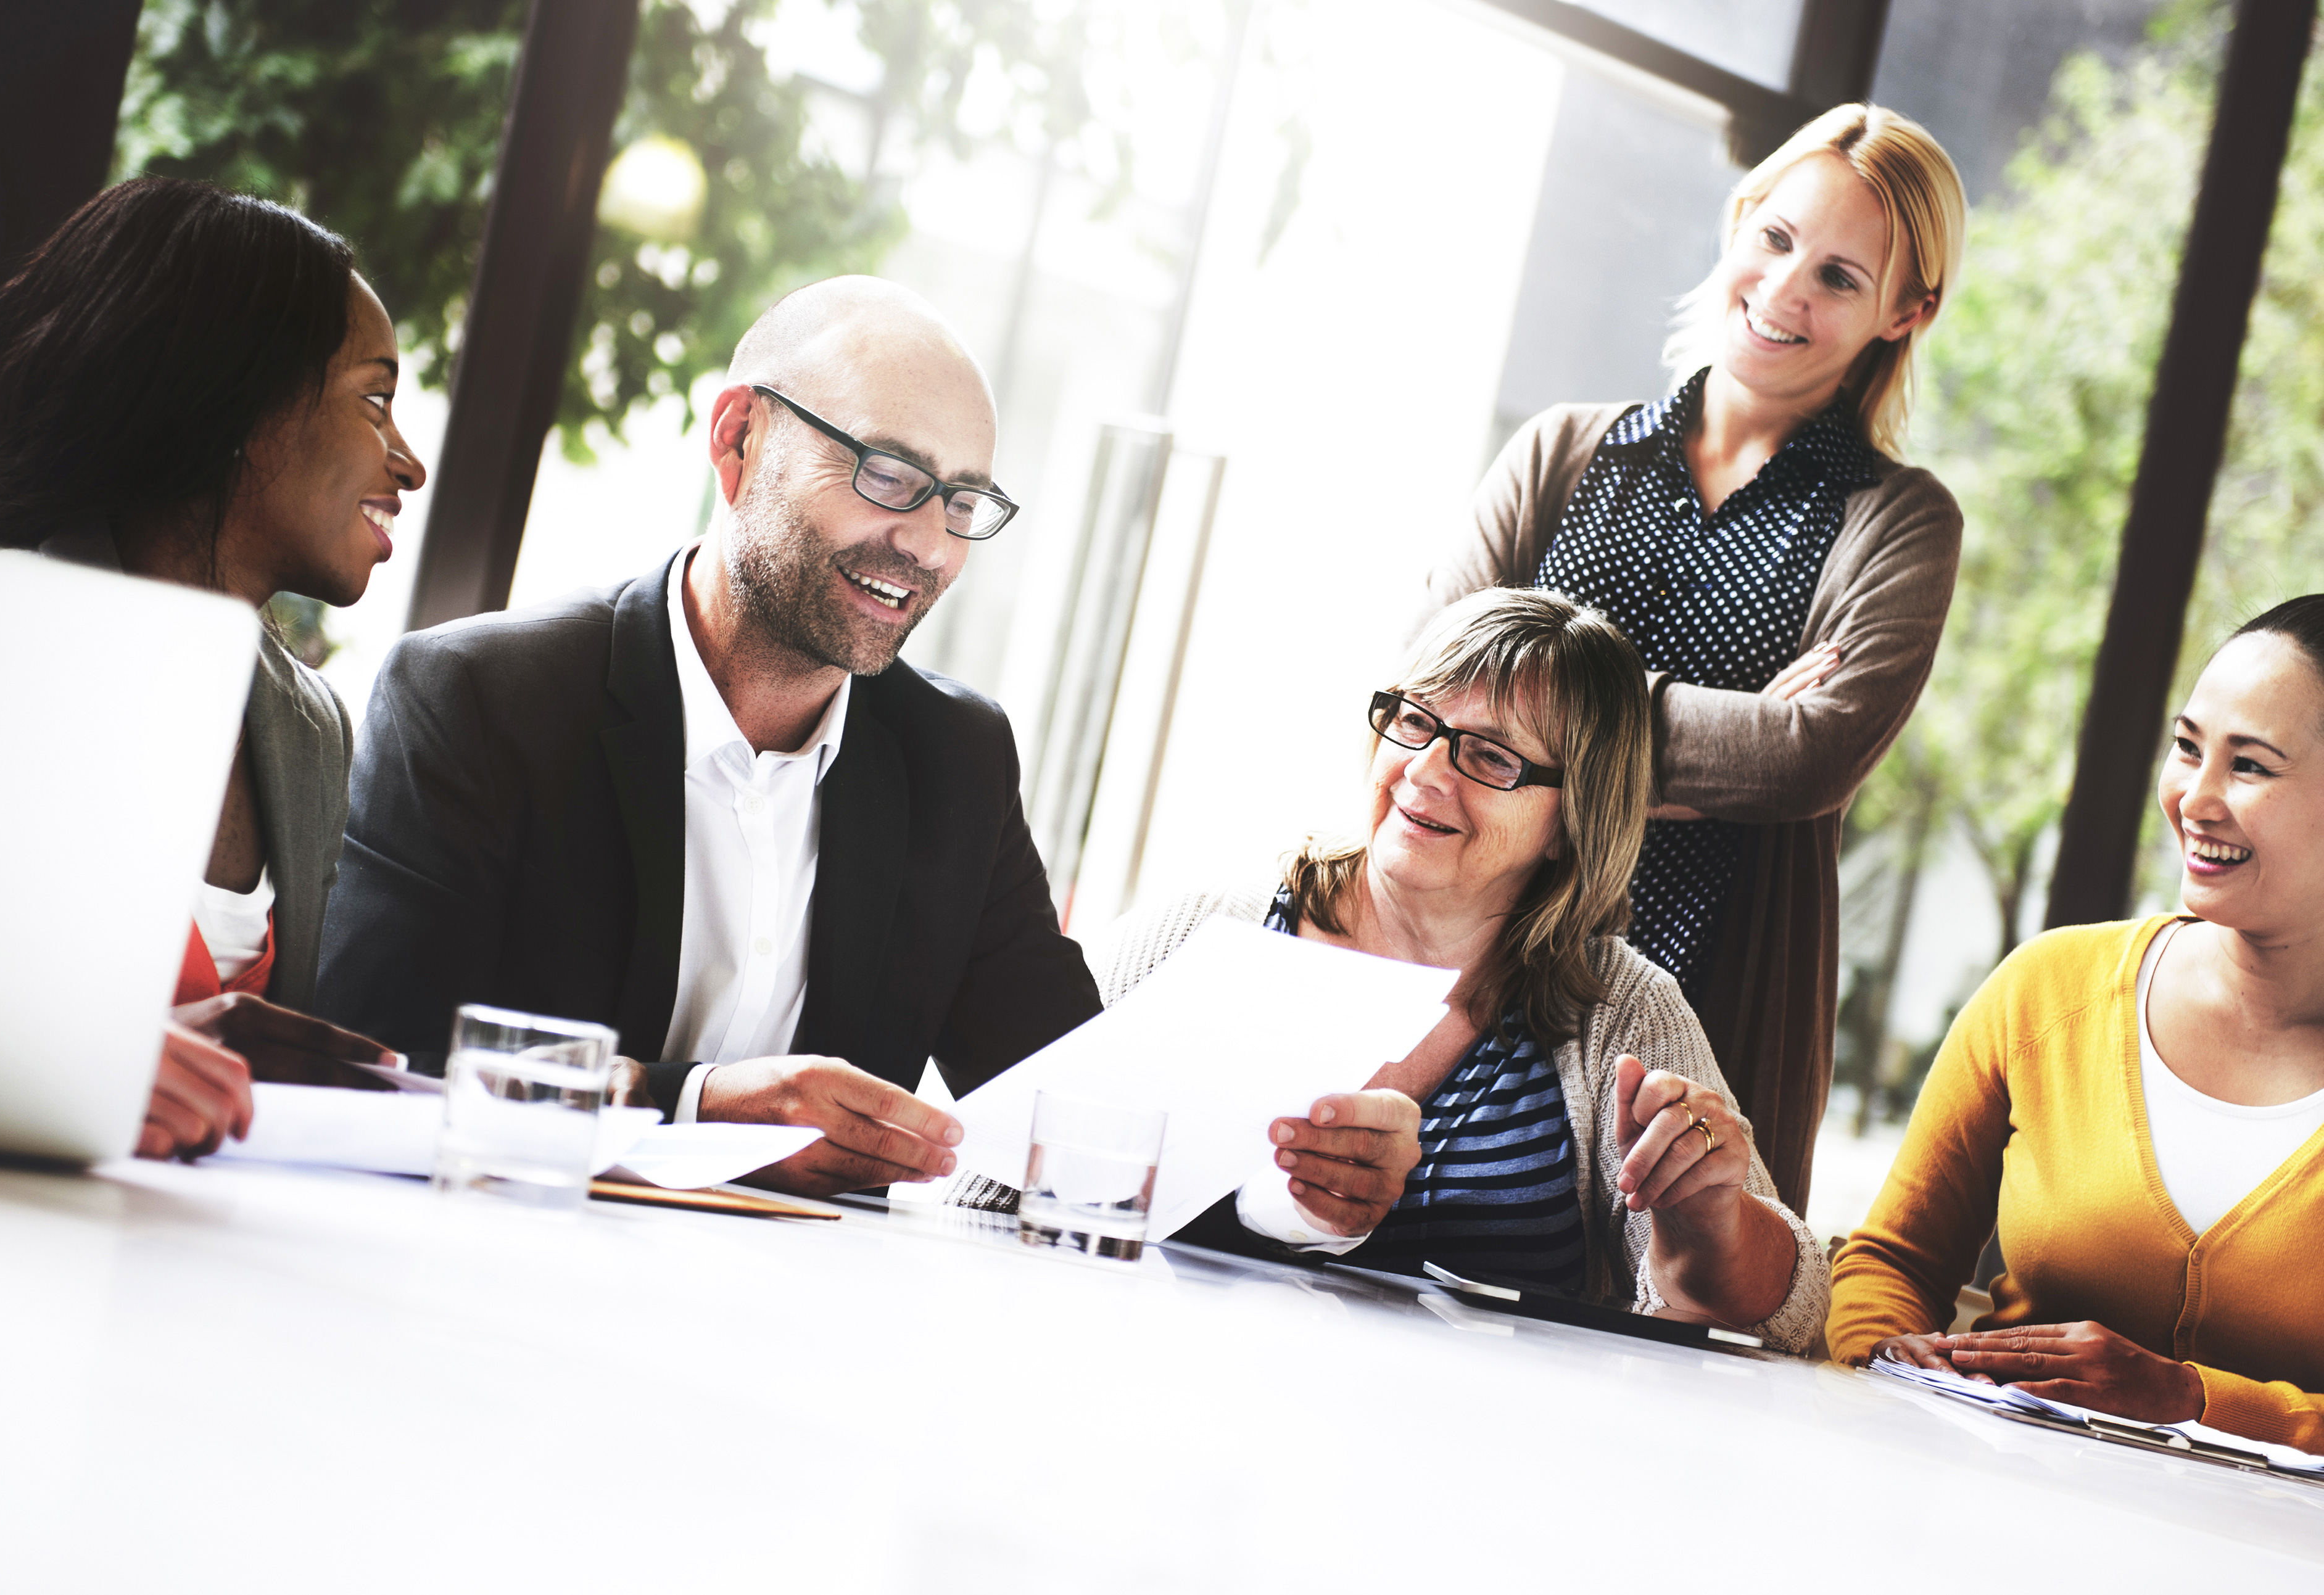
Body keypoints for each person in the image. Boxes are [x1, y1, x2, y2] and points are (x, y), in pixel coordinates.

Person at [316, 276, 1102, 1198]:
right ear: (738, 441)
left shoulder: (956, 761)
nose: (930, 546)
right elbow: (375, 1070)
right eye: (888, 476)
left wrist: (1296, 1190)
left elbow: (1084, 1112)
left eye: (962, 502)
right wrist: (689, 1106)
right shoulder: (481, 701)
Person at [980, 588, 1826, 1350]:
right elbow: (985, 1192)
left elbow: (1792, 1312)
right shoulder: (1203, 929)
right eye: (1415, 722)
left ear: (1572, 819)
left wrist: (1711, 1217)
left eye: (1491, 757)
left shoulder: (1620, 1007)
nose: (1423, 771)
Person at [1418, 104, 1969, 1214]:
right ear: (1735, 225)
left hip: (1718, 996)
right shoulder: (1560, 453)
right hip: (1480, 958)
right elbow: (1438, 690)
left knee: (1657, 1327)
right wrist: (1710, 743)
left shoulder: (1898, 521)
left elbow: (1802, 761)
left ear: (1906, 312)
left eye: (1837, 277)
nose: (1783, 293)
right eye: (1772, 240)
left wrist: (1541, 754)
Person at [0, 177, 420, 1160]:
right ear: (240, 405)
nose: (406, 462)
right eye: (374, 399)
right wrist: (68, 1057)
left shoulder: (313, 728)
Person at [1829, 598, 2324, 1450]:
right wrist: (1889, 1358)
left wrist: (2191, 1397)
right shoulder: (2047, 988)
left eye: (2248, 766)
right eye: (2186, 747)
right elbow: (1891, 1261)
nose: (2192, 798)